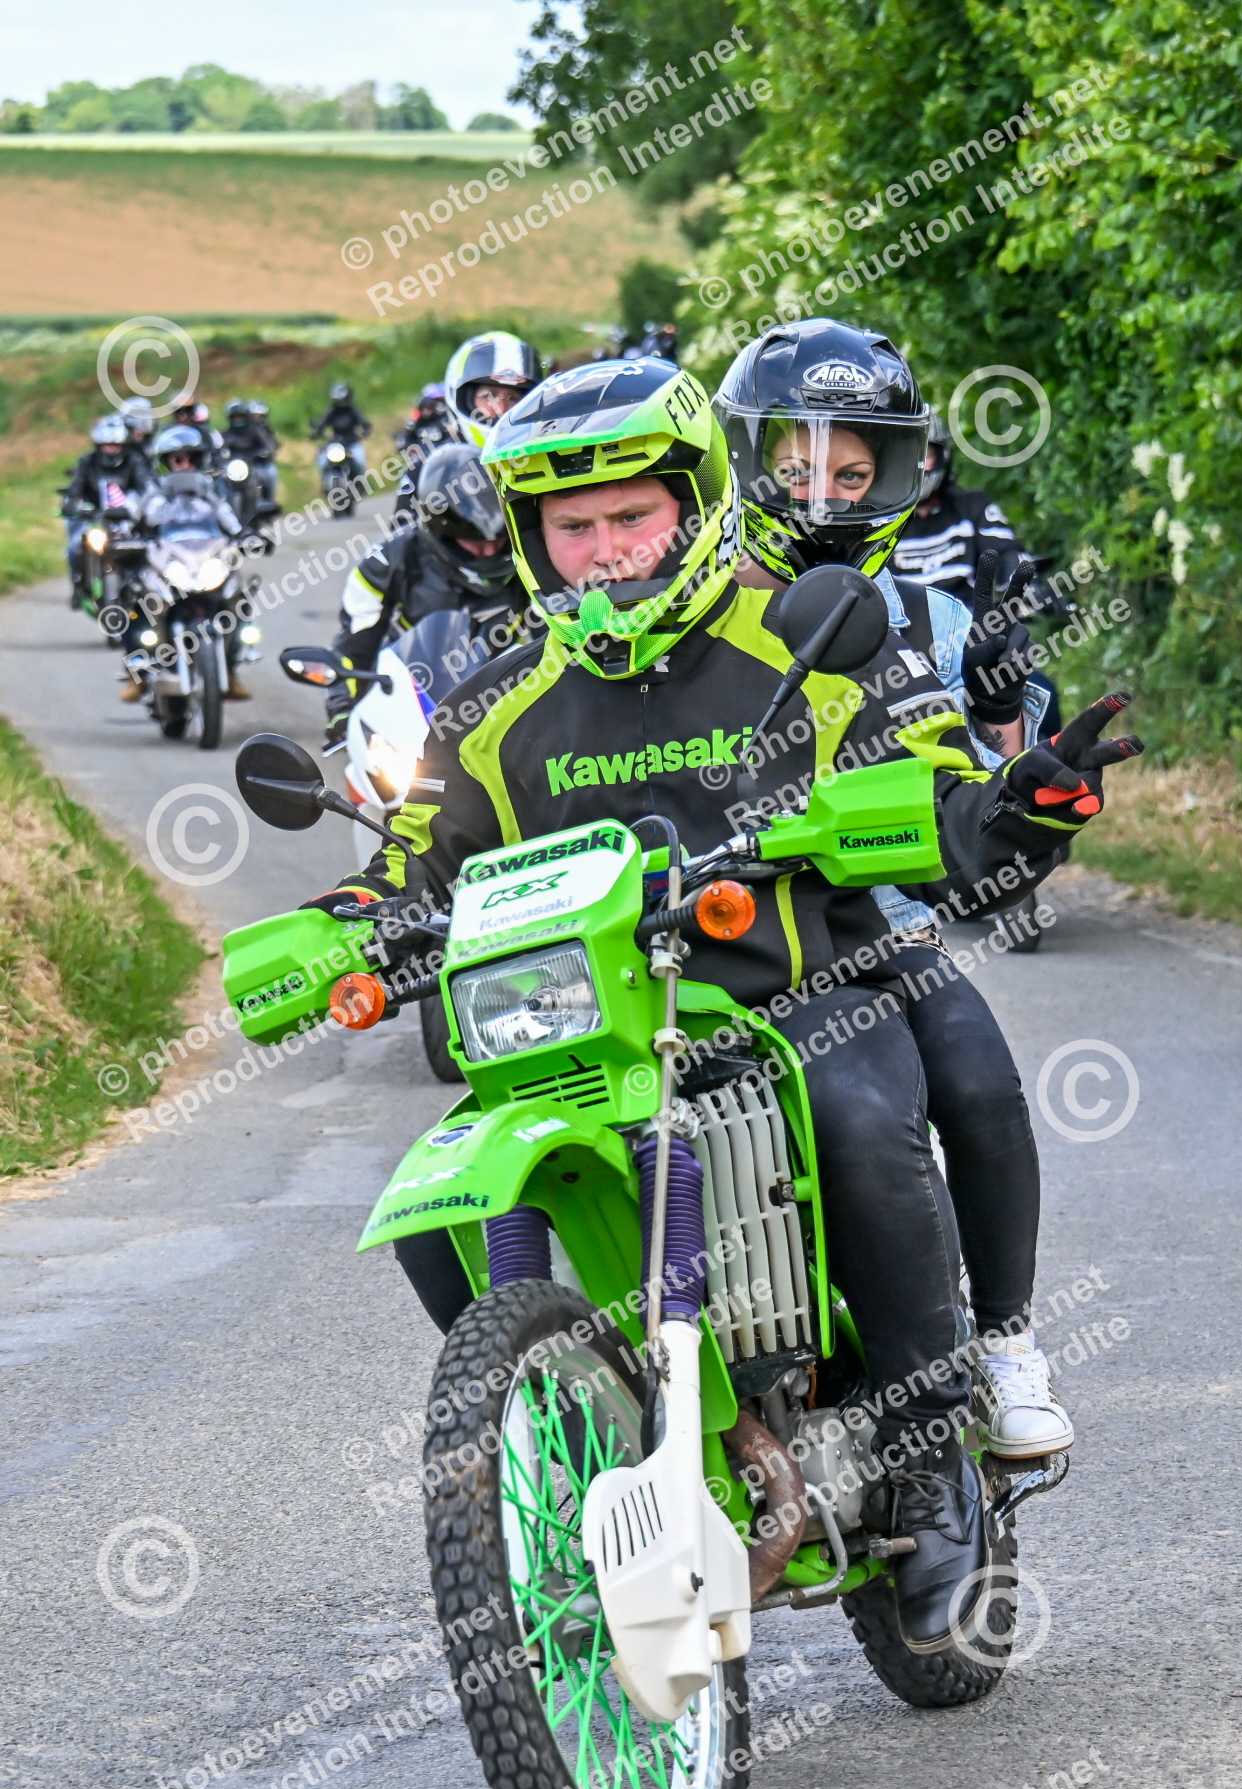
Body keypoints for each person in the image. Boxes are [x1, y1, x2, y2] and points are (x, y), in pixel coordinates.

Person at [304, 355, 1141, 1650]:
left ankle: (928, 1462)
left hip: (795, 996)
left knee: (860, 1121)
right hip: (587, 1035)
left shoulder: (809, 638)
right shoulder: (491, 708)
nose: (603, 550)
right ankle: (575, 1419)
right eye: (570, 526)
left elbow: (940, 792)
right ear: (529, 536)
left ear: (694, 505)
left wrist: (1016, 807)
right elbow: (412, 864)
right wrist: (348, 928)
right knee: (436, 1211)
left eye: (628, 515)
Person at [717, 318, 1072, 1455]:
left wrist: (1017, 755)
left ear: (897, 476)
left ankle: (1006, 1341)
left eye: (852, 472)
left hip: (888, 930)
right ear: (750, 461)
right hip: (722, 933)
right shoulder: (697, 608)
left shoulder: (934, 615)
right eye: (799, 467)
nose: (824, 493)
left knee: (978, 1079)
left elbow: (981, 799)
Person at [320, 442, 543, 748]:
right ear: (441, 529)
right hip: (410, 696)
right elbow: (356, 644)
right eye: (475, 542)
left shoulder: (532, 556)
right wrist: (343, 710)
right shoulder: (387, 560)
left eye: (499, 540)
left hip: (507, 692)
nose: (489, 551)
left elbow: (556, 635)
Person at [891, 406, 1062, 734]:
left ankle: (1041, 768)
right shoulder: (883, 518)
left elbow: (1007, 552)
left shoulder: (972, 507)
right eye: (908, 456)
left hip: (970, 642)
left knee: (1043, 695)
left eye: (926, 455)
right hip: (901, 652)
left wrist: (1030, 586)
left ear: (943, 456)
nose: (918, 465)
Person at [124, 425, 251, 702]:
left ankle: (231, 667)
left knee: (238, 597)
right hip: (166, 561)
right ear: (166, 462)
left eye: (191, 459)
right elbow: (132, 522)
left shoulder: (211, 494)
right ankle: (137, 671)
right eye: (177, 459)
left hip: (205, 560)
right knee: (136, 601)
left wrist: (247, 536)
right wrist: (125, 536)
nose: (184, 465)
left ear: (200, 460)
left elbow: (231, 522)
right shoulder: (152, 494)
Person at [61, 415, 151, 610]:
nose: (111, 450)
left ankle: (145, 586)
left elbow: (146, 488)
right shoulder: (87, 462)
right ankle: (79, 585)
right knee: (74, 547)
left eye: (116, 446)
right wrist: (72, 504)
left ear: (124, 445)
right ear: (98, 446)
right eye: (107, 446)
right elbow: (75, 490)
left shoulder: (135, 461)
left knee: (148, 546)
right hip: (95, 519)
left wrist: (140, 507)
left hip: (129, 520)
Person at [443, 332, 541, 447]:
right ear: (462, 398)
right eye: (489, 396)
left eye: (513, 398)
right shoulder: (436, 453)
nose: (501, 409)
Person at [393, 382, 461, 524]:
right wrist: (408, 448)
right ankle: (406, 516)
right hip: (418, 461)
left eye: (429, 408)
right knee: (406, 481)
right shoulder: (415, 422)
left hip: (439, 461)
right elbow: (405, 439)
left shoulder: (444, 421)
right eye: (423, 408)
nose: (426, 411)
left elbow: (453, 438)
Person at [310, 382, 370, 471]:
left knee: (359, 463)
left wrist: (364, 432)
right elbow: (321, 423)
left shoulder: (353, 410)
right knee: (322, 462)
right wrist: (316, 432)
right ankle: (326, 478)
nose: (341, 401)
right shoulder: (331, 411)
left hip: (352, 444)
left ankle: (360, 479)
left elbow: (364, 423)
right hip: (335, 444)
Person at [172, 400, 223, 469]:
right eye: (179, 412)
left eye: (188, 411)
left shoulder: (203, 433)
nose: (184, 416)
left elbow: (214, 454)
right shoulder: (168, 434)